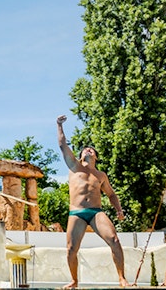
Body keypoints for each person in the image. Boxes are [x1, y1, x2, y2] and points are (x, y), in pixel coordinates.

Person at [57, 115, 129, 288]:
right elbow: (62, 145)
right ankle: (74, 281)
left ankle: (122, 278)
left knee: (114, 240)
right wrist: (59, 125)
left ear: (95, 156)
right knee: (71, 249)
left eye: (92, 150)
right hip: (76, 213)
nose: (88, 150)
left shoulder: (101, 175)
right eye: (85, 150)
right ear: (81, 156)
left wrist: (118, 210)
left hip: (96, 212)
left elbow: (111, 195)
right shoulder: (74, 166)